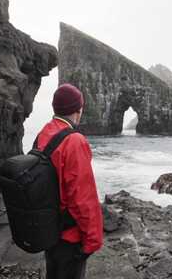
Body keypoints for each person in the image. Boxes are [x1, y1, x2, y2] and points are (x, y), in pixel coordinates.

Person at [34, 83, 103, 279]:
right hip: (69, 236)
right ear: (78, 110)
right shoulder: (74, 141)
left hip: (48, 229)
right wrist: (92, 241)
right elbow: (83, 197)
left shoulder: (43, 134)